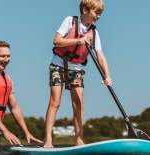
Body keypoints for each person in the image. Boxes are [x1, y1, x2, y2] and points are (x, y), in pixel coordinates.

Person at [43, 0, 112, 148]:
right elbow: (56, 41)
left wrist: (107, 75)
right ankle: (48, 140)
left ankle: (79, 140)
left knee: (79, 104)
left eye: (100, 13)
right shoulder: (70, 20)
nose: (99, 16)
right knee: (55, 102)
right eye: (96, 12)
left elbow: (100, 54)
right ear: (85, 10)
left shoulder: (94, 32)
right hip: (58, 65)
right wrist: (78, 40)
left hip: (77, 69)